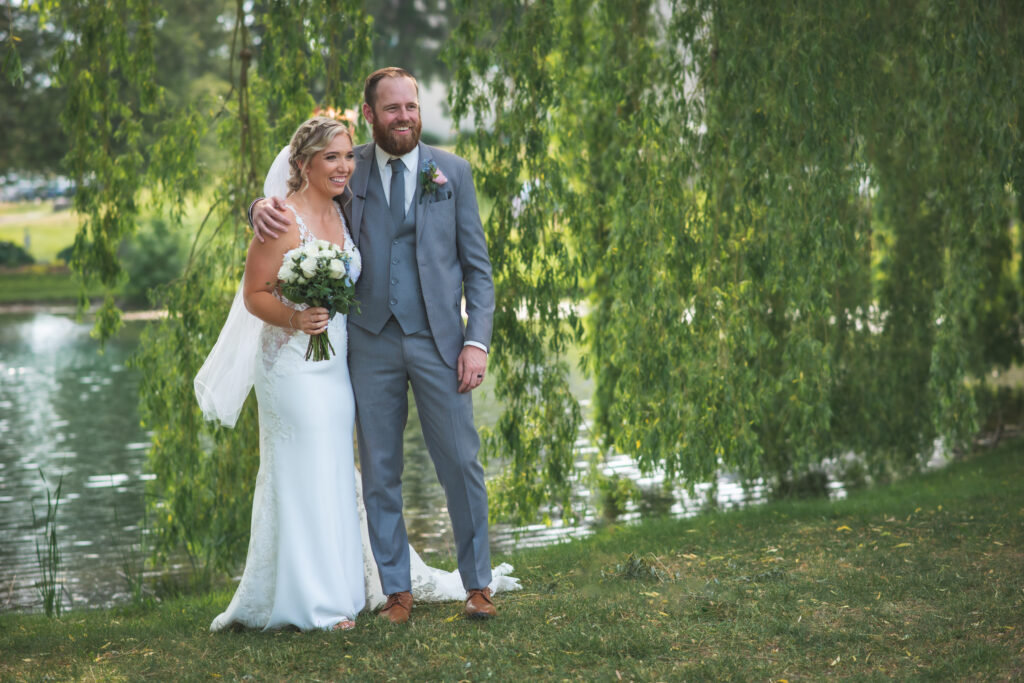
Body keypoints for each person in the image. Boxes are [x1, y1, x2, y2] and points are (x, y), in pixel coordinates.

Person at [251, 67, 498, 623]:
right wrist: (257, 209)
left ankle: (477, 584)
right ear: (370, 115)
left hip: (442, 343)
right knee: (380, 470)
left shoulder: (452, 172)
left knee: (461, 463)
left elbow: (479, 272)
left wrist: (476, 343)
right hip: (369, 343)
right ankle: (396, 591)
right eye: (391, 109)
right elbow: (296, 194)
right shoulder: (348, 165)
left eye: (410, 106)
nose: (404, 117)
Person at [201, 116, 365, 631]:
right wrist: (296, 318)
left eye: (347, 156)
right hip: (289, 366)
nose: (343, 167)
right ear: (302, 164)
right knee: (301, 472)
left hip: (334, 364)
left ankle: (344, 588)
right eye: (331, 157)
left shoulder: (344, 214)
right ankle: (313, 604)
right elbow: (254, 295)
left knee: (335, 469)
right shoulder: (279, 220)